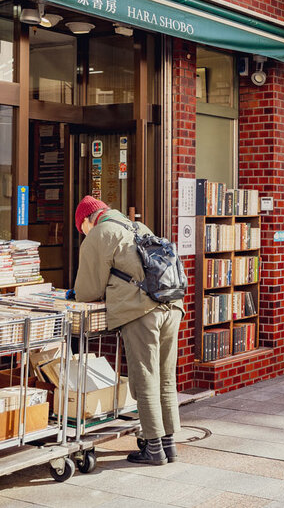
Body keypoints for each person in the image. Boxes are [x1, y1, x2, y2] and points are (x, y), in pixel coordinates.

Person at [74, 196, 185, 465]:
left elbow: (87, 290)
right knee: (165, 375)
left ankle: (154, 449)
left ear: (89, 219)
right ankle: (169, 445)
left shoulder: (100, 233)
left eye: (82, 229)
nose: (83, 234)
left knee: (144, 375)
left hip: (142, 311)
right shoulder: (138, 227)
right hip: (171, 305)